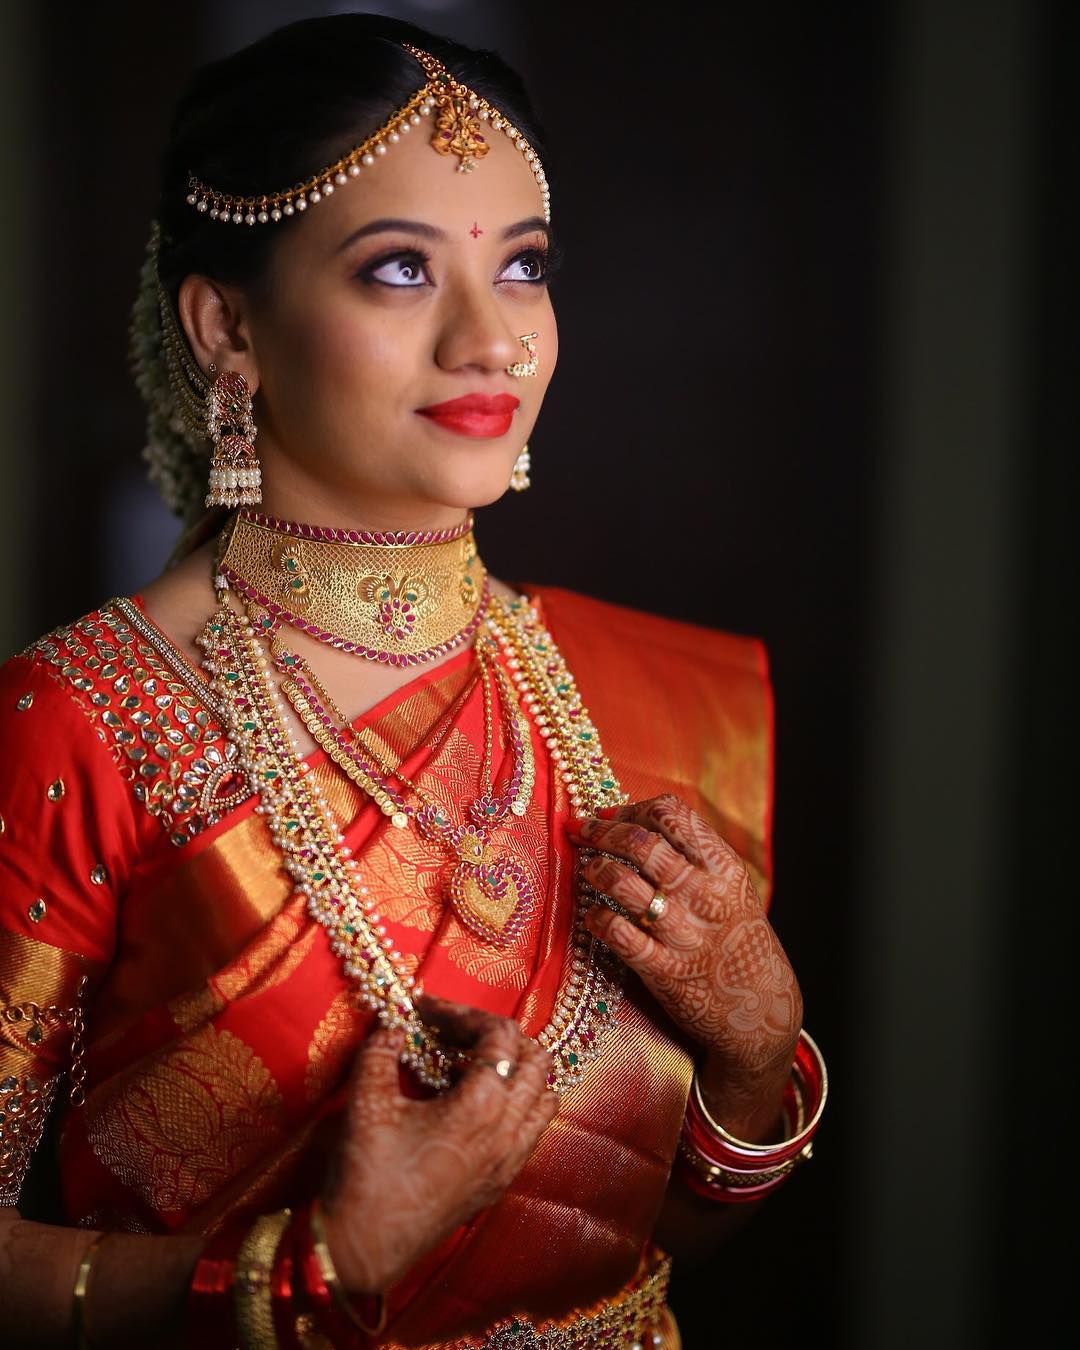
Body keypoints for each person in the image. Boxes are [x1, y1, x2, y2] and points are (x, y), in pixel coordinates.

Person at [0, 14, 826, 1348]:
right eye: (398, 269)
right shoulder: (83, 722)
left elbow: (631, 1243)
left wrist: (753, 1044)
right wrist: (311, 1270)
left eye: (524, 266)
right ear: (227, 327)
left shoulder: (658, 699)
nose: (491, 338)